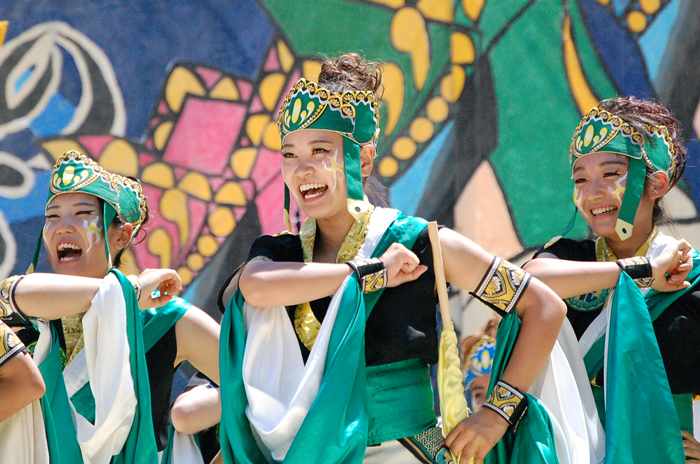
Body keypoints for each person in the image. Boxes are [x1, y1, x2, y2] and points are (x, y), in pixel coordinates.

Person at [217, 53, 567, 464]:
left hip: (409, 452)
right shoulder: (280, 254)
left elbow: (544, 307)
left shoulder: (420, 243)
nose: (302, 169)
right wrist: (370, 273)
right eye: (290, 155)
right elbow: (254, 288)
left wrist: (496, 414)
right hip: (310, 452)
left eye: (319, 150)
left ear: (363, 160)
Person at [0, 151, 220, 463]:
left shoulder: (166, 322)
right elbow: (9, 292)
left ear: (121, 235)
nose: (63, 227)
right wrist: (130, 291)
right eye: (52, 217)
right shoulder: (27, 319)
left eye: (81, 214)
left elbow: (255, 386)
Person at [524, 97, 700, 463]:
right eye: (581, 179)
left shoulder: (693, 280)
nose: (593, 193)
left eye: (610, 174)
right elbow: (529, 282)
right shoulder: (569, 258)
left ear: (656, 184)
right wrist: (641, 273)